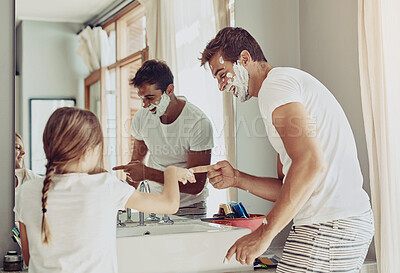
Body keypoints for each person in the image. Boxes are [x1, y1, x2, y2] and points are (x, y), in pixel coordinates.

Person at [194, 27, 374, 272]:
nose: (221, 86)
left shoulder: (275, 87)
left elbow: (311, 164)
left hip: (330, 224)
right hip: (339, 223)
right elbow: (287, 186)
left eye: (222, 74)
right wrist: (236, 179)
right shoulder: (283, 88)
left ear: (244, 59)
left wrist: (264, 234)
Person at [14, 107, 198, 273]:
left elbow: (29, 258)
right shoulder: (104, 186)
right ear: (88, 152)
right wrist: (171, 173)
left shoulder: (26, 191)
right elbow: (169, 204)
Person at [113, 60, 214, 219]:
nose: (145, 105)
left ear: (170, 90)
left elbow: (196, 184)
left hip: (189, 207)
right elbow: (135, 166)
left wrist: (147, 173)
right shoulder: (142, 117)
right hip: (155, 204)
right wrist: (121, 203)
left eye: (150, 97)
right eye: (142, 98)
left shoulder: (198, 123)